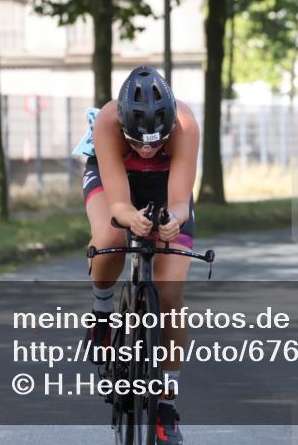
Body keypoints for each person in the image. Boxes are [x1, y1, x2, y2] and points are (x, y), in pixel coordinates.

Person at [76, 65, 198, 445]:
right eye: (138, 141)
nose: (147, 148)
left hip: (164, 186)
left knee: (171, 293)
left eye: (155, 142)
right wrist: (131, 218)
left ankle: (167, 403)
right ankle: (102, 312)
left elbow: (179, 201)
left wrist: (173, 222)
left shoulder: (185, 125)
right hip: (116, 181)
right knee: (110, 236)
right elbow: (118, 204)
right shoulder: (109, 122)